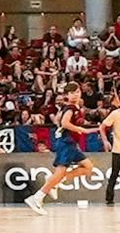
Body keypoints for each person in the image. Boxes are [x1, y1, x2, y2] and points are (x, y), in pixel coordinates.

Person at [27, 84, 103, 214]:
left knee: (88, 167)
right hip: (66, 143)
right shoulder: (71, 108)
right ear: (67, 95)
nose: (75, 94)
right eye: (72, 93)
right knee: (60, 171)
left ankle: (55, 180)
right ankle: (37, 197)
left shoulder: (73, 108)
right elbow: (64, 123)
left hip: (71, 143)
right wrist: (79, 129)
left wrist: (91, 129)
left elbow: (57, 120)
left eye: (77, 92)